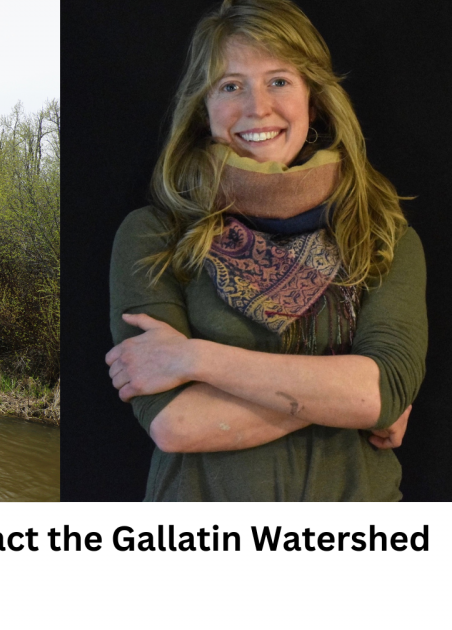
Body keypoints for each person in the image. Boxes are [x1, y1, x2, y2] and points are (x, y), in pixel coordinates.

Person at [105, 0, 427, 501]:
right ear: (204, 107)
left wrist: (193, 358)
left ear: (313, 100)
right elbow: (176, 422)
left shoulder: (380, 235)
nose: (257, 108)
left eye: (279, 81)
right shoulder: (154, 237)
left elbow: (381, 390)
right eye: (230, 86)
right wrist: (348, 398)